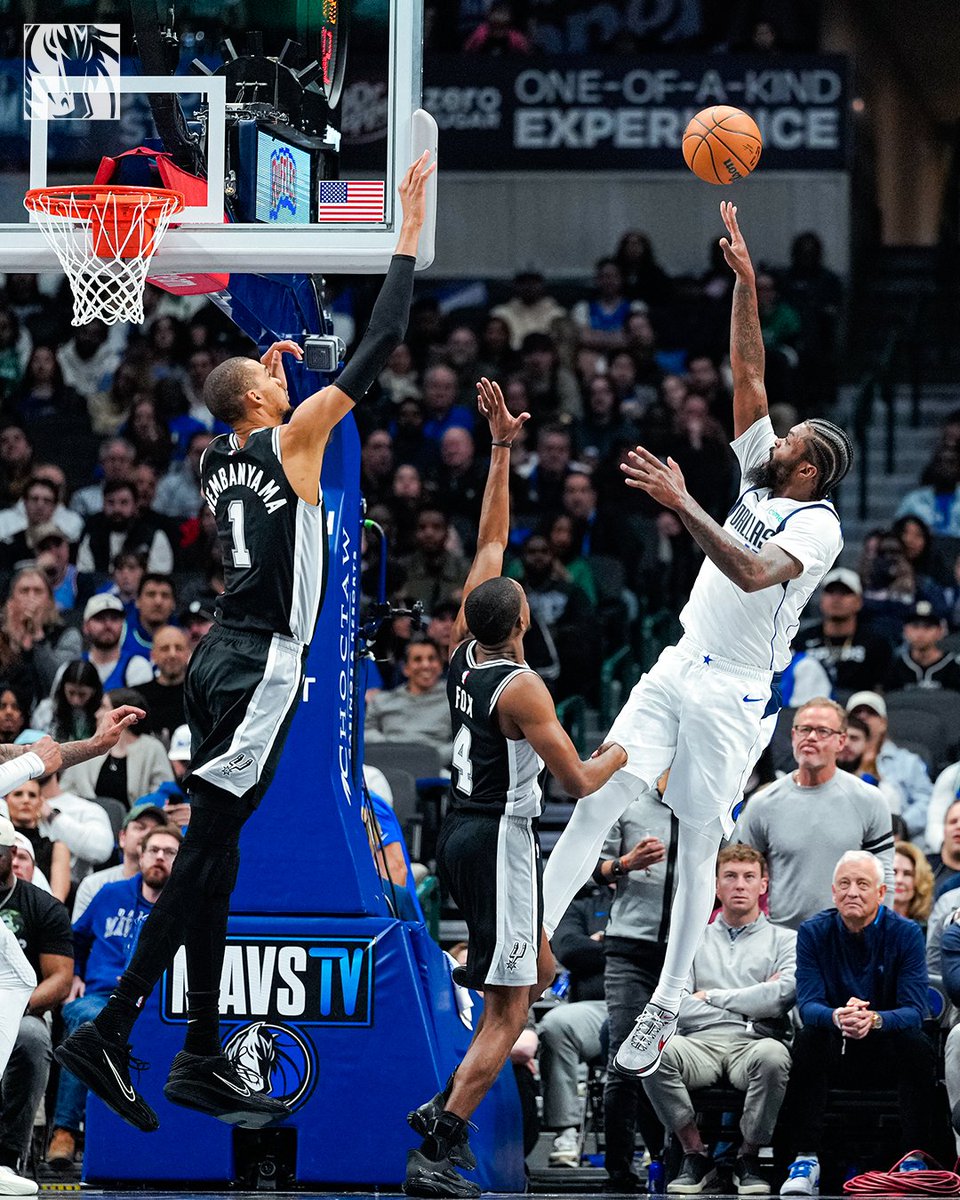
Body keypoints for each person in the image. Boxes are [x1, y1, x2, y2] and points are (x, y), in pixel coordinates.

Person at [55, 151, 435, 1134]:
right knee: (209, 848)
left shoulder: (220, 454)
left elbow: (253, 397)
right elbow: (384, 338)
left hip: (224, 649)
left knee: (220, 857)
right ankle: (116, 1024)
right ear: (266, 396)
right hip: (262, 657)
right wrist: (406, 231)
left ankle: (194, 1056)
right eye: (276, 385)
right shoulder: (293, 437)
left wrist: (269, 370)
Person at [540, 202, 851, 1078]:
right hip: (679, 664)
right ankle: (526, 946)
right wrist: (746, 285)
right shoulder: (763, 467)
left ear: (810, 465)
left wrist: (684, 505)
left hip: (736, 692)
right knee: (600, 793)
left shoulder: (819, 523)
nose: (775, 430)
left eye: (790, 438)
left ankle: (669, 998)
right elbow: (745, 374)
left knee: (695, 842)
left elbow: (754, 574)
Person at [403, 378, 627, 1199]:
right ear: (522, 623)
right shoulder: (525, 687)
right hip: (500, 835)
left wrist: (501, 450)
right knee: (514, 1008)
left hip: (470, 831)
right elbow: (575, 778)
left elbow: (490, 541)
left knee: (532, 959)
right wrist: (624, 753)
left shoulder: (467, 640)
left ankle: (463, 1061)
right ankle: (439, 1141)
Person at [642, 845, 796, 1197]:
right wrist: (752, 998)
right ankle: (696, 1154)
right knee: (651, 1052)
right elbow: (676, 1004)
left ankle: (748, 1157)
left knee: (775, 1057)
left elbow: (781, 997)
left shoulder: (786, 940)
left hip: (753, 1041)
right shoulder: (690, 940)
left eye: (748, 877)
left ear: (763, 885)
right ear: (716, 886)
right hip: (698, 1042)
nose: (739, 884)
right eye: (730, 876)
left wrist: (710, 995)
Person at [780, 851, 935, 1194]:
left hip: (888, 1049)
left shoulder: (906, 933)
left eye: (863, 884)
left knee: (918, 1044)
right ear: (833, 893)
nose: (853, 892)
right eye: (845, 884)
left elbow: (914, 1009)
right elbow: (808, 1005)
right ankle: (805, 1160)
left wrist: (875, 1019)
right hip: (837, 1048)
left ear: (881, 893)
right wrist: (839, 1016)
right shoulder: (812, 932)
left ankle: (914, 1158)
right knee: (809, 1039)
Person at [46, 823, 181, 1171]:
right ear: (140, 853)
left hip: (157, 1002)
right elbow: (73, 939)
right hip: (100, 997)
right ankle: (65, 1130)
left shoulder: (184, 908)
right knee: (89, 1025)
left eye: (170, 852)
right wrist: (72, 974)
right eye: (154, 850)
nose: (160, 858)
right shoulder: (110, 894)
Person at [734, 699, 894, 930]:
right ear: (793, 736)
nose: (811, 737)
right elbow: (741, 872)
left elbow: (884, 874)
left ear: (841, 740)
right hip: (783, 940)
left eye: (822, 731)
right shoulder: (762, 803)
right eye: (804, 729)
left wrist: (878, 933)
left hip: (849, 937)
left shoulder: (869, 800)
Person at [595, 781, 676, 1192]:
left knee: (673, 1060)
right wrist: (626, 862)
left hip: (684, 953)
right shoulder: (629, 801)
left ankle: (675, 1162)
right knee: (624, 1060)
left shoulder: (709, 804)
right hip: (629, 947)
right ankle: (618, 1172)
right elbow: (595, 868)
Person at [0, 813, 72, 1195]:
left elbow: (60, 978)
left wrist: (14, 1008)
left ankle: (7, 1157)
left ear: (12, 854)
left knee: (30, 1038)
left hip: (21, 1009)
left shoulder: (41, 905)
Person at [539, 885, 609, 1169]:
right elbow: (568, 947)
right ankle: (566, 1133)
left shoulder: (660, 899)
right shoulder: (582, 906)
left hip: (652, 1006)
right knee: (556, 1024)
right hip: (594, 1008)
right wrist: (625, 948)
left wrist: (598, 944)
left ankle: (659, 1142)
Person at [59, 688, 173, 810]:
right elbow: (66, 790)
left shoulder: (152, 749)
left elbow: (163, 793)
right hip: (87, 823)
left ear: (120, 714)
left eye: (103, 707)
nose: (96, 714)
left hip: (138, 824)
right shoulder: (89, 745)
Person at [846, 691, 933, 841]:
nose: (863, 717)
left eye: (871, 713)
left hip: (900, 842)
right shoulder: (838, 759)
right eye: (856, 712)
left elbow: (926, 801)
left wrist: (901, 824)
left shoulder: (907, 761)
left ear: (883, 723)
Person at [793, 569, 891, 694]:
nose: (836, 599)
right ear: (821, 600)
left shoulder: (876, 644)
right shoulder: (802, 640)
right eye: (830, 592)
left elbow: (882, 690)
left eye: (845, 593)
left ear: (859, 602)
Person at [72, 800, 169, 920]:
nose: (148, 835)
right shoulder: (94, 886)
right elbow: (79, 937)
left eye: (156, 830)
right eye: (140, 827)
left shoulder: (170, 891)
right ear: (122, 837)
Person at [365, 636, 453, 761]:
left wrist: (430, 758)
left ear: (440, 666)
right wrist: (393, 751)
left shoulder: (454, 700)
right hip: (389, 766)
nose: (426, 665)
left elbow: (464, 739)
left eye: (432, 659)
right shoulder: (381, 701)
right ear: (405, 668)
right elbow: (366, 732)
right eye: (418, 659)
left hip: (437, 769)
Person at [80, 594, 153, 689]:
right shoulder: (71, 667)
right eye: (100, 618)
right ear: (86, 626)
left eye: (114, 619)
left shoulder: (137, 666)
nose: (108, 625)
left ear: (123, 625)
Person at [885, 598, 960, 691]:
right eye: (915, 626)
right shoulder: (897, 666)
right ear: (906, 630)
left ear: (940, 631)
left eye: (927, 627)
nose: (920, 634)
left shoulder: (953, 667)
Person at [137, 625, 190, 744]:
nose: (172, 654)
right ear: (153, 655)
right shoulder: (139, 698)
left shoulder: (200, 695)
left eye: (179, 648)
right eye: (165, 649)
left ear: (188, 654)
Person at [893, 840, 934, 929]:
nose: (899, 880)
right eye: (893, 872)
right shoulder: (864, 925)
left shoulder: (927, 929)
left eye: (907, 874)